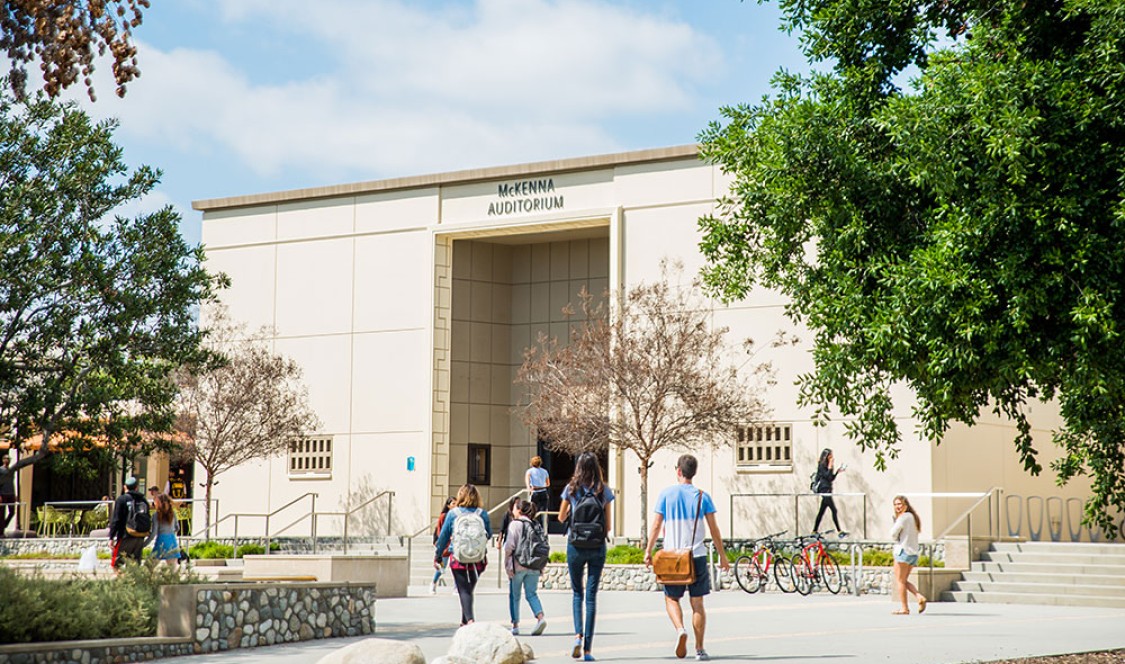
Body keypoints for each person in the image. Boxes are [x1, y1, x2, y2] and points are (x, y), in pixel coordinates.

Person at [644, 454, 731, 661]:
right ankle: (700, 649)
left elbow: (656, 525)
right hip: (697, 555)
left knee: (671, 598)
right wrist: (722, 555)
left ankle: (680, 629)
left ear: (679, 471)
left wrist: (648, 551)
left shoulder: (666, 494)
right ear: (694, 472)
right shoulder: (703, 497)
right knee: (697, 603)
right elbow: (714, 529)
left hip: (672, 557)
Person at [557, 451, 614, 662]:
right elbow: (608, 526)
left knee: (576, 593)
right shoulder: (603, 491)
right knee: (591, 596)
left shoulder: (571, 489)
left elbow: (562, 517)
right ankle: (588, 650)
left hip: (575, 544)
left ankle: (577, 636)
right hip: (597, 545)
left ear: (578, 468)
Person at [434, 483, 492, 626]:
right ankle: (464, 622)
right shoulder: (482, 513)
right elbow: (489, 534)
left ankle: (470, 621)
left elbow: (443, 537)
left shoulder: (453, 514)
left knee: (463, 590)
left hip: (458, 557)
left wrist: (438, 555)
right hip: (478, 558)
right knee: (468, 589)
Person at [504, 499, 548, 637]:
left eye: (515, 508)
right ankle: (540, 618)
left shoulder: (515, 524)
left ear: (519, 510)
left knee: (515, 595)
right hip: (534, 565)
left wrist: (507, 564)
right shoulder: (536, 525)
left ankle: (515, 625)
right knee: (531, 594)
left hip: (518, 565)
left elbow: (509, 546)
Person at [890, 495, 927, 615]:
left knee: (900, 581)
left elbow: (893, 533)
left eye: (900, 504)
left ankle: (904, 608)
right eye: (895, 504)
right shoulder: (913, 517)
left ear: (906, 505)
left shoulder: (903, 518)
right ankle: (919, 596)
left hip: (903, 551)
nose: (897, 507)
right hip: (913, 553)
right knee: (903, 580)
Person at [109, 477, 149, 569]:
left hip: (125, 536)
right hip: (140, 536)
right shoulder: (143, 500)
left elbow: (116, 520)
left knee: (116, 565)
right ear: (137, 487)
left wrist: (111, 537)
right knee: (134, 567)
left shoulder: (122, 500)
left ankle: (123, 582)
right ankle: (133, 582)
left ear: (124, 487)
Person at [0, 453, 40, 535]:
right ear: (3, 460)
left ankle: (3, 525)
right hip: (3, 494)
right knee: (1, 513)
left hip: (11, 493)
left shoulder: (11, 470)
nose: (8, 460)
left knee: (12, 512)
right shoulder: (0, 470)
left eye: (9, 459)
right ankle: (1, 531)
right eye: (6, 459)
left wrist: (15, 494)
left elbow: (12, 483)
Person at [812, 448, 848, 537]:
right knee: (834, 510)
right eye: (830, 455)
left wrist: (837, 472)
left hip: (828, 489)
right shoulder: (821, 465)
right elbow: (826, 476)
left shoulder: (829, 465)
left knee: (821, 511)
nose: (832, 457)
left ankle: (814, 530)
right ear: (826, 456)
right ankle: (839, 531)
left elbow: (831, 478)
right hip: (824, 489)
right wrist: (830, 466)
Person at [145, 493, 180, 566]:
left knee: (148, 567)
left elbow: (153, 533)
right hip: (172, 541)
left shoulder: (156, 515)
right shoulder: (173, 513)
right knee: (173, 571)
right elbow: (177, 527)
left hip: (161, 541)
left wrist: (144, 544)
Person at [431, 497, 454, 594]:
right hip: (445, 544)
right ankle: (433, 583)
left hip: (455, 544)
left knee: (455, 566)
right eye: (453, 503)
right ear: (448, 505)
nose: (455, 505)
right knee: (442, 567)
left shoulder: (457, 515)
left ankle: (457, 587)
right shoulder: (444, 516)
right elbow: (441, 531)